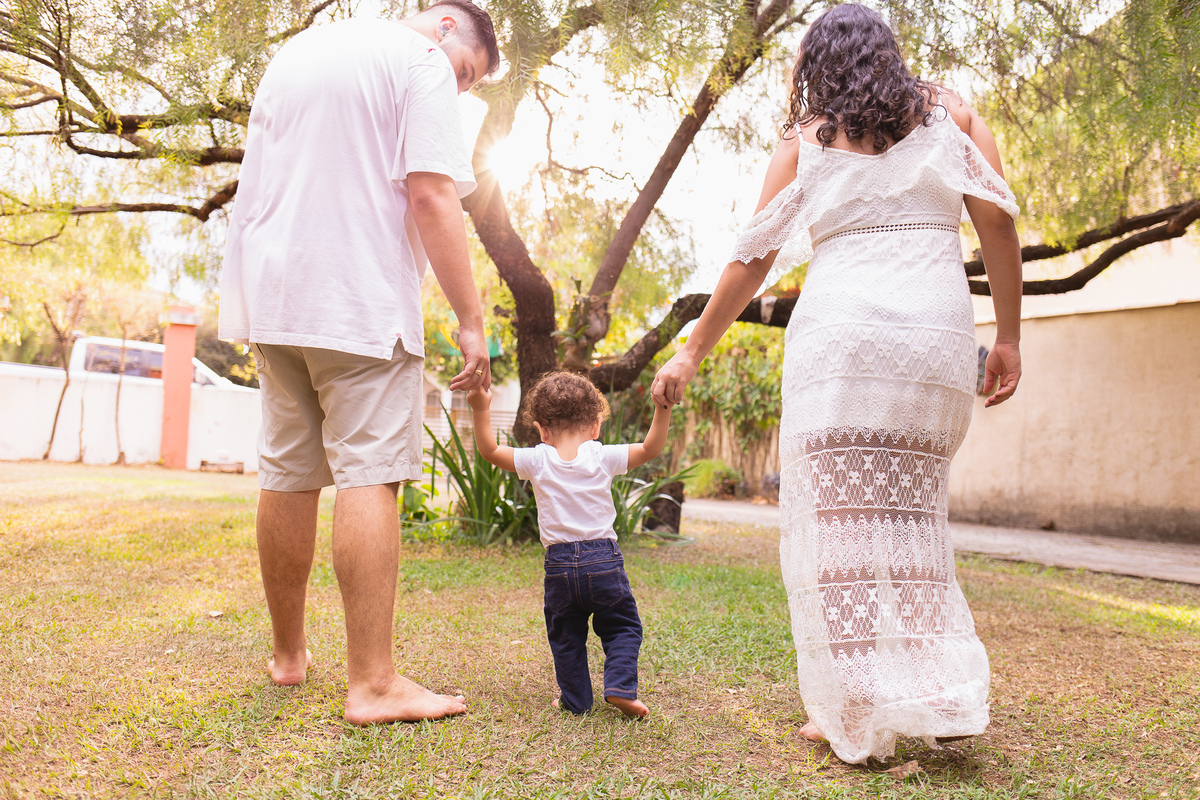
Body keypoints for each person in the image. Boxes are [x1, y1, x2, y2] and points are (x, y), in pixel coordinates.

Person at [651, 3, 1022, 764]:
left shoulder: (806, 140)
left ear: (815, 66)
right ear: (889, 54)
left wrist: (690, 352)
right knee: (916, 520)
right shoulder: (954, 117)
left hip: (843, 343)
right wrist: (1009, 336)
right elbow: (999, 228)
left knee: (840, 528)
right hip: (934, 339)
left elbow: (752, 260)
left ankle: (851, 705)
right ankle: (937, 690)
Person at [217, 1, 501, 725]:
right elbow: (434, 193)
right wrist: (473, 323)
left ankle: (288, 657)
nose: (459, 88)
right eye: (466, 71)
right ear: (444, 26)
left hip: (275, 295)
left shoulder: (299, 52)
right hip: (359, 300)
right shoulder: (422, 63)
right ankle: (373, 684)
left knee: (288, 472)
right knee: (370, 475)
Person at [466, 372, 671, 718]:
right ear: (595, 426)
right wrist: (662, 408)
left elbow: (489, 451)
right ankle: (621, 685)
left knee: (566, 636)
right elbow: (651, 448)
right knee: (623, 625)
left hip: (559, 566)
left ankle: (576, 701)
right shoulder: (601, 455)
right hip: (604, 560)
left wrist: (479, 408)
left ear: (542, 430)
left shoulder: (536, 459)